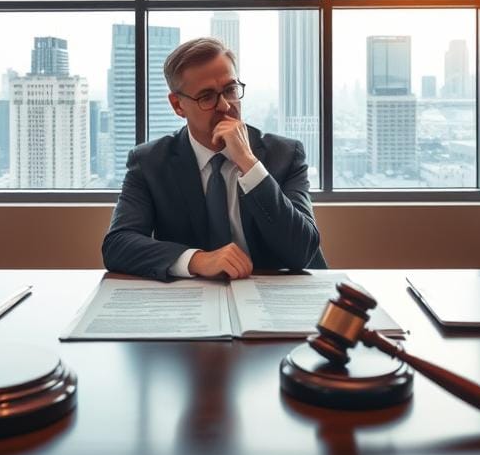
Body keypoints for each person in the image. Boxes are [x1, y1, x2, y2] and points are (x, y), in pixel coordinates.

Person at [102, 37, 326, 281]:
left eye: (230, 90)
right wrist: (197, 260)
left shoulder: (285, 155)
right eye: (207, 96)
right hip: (193, 303)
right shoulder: (150, 162)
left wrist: (249, 164)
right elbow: (118, 245)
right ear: (178, 105)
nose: (225, 106)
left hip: (277, 299)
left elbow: (302, 251)